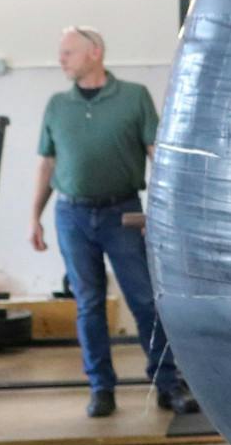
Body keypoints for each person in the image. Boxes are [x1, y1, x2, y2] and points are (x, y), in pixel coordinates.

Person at [30, 26, 194, 418]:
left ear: (95, 53)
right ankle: (101, 389)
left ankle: (167, 384)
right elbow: (47, 163)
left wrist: (180, 205)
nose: (61, 59)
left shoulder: (134, 97)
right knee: (88, 304)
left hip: (122, 214)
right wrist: (33, 217)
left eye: (68, 52)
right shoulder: (57, 105)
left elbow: (157, 151)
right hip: (71, 215)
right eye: (61, 52)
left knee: (143, 300)